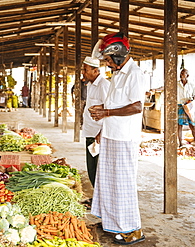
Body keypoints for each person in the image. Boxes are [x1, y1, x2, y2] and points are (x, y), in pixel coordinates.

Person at [88, 32, 146, 245]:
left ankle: (133, 229)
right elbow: (115, 104)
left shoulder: (135, 74)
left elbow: (137, 106)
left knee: (124, 184)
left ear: (119, 55)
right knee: (109, 182)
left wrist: (107, 113)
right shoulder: (118, 75)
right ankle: (114, 223)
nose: (107, 63)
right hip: (112, 135)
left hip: (124, 138)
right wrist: (103, 118)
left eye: (109, 59)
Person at [81, 57, 110, 188]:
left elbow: (110, 109)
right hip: (90, 132)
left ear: (95, 70)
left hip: (98, 134)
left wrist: (102, 132)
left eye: (85, 70)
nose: (83, 72)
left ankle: (101, 199)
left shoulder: (104, 85)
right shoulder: (91, 84)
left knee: (99, 169)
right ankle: (97, 197)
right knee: (91, 168)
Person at [177, 68, 195, 146]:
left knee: (192, 124)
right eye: (181, 73)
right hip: (180, 105)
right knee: (179, 125)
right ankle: (180, 143)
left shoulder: (191, 85)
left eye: (183, 73)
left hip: (189, 106)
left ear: (187, 75)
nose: (182, 75)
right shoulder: (177, 84)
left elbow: (194, 95)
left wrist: (191, 100)